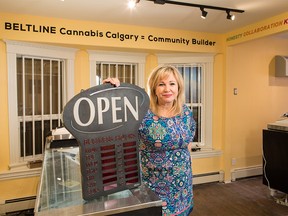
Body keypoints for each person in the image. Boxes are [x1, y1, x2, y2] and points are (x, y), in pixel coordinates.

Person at [103, 65, 196, 216]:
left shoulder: (185, 112)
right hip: (151, 186)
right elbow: (113, 117)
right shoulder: (141, 112)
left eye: (172, 84)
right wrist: (113, 91)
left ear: (179, 87)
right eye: (161, 84)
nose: (167, 89)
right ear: (153, 88)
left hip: (182, 186)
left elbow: (188, 143)